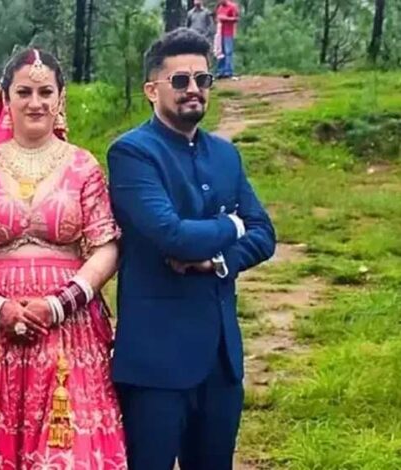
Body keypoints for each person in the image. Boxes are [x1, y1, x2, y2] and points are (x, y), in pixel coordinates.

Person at [0, 48, 127, 469]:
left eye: (45, 92)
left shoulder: (83, 166)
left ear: (60, 98)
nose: (35, 102)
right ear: (6, 98)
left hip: (68, 328)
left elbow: (106, 247)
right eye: (24, 92)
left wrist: (60, 303)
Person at [107, 28, 276, 470]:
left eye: (203, 80)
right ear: (152, 90)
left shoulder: (225, 155)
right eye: (180, 81)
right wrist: (232, 224)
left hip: (221, 359)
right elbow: (171, 234)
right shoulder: (132, 153)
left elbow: (264, 234)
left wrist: (220, 260)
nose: (194, 90)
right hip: (156, 363)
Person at [215, 0, 240, 78]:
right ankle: (220, 71)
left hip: (228, 33)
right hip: (220, 33)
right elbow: (217, 19)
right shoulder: (220, 8)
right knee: (220, 52)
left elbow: (236, 19)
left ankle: (228, 71)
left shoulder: (232, 6)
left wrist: (226, 18)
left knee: (228, 52)